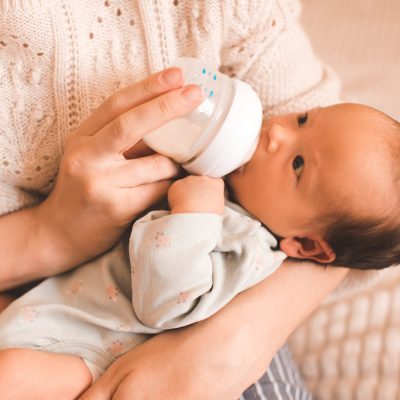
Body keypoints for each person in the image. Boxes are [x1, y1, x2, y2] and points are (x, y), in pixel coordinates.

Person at [0, 0, 377, 398]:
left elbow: (165, 304)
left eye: (298, 164)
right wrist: (51, 234)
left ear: (302, 244)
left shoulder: (246, 244)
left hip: (97, 356)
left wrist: (194, 219)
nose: (277, 132)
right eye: (302, 120)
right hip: (48, 307)